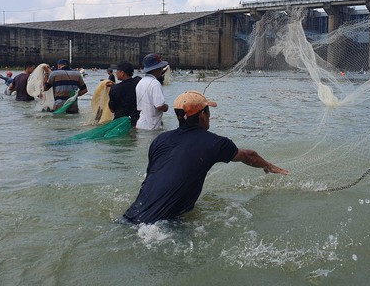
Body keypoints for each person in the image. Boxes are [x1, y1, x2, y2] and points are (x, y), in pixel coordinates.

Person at [123, 90, 289, 224]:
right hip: (163, 224)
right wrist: (268, 165)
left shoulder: (160, 140)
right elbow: (248, 155)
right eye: (208, 111)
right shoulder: (214, 143)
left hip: (129, 217)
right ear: (202, 115)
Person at [135, 53, 169, 130]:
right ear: (156, 69)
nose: (161, 69)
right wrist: (166, 107)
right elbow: (160, 106)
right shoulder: (155, 83)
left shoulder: (141, 82)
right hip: (152, 126)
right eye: (160, 67)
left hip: (140, 124)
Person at [108, 61, 142, 127]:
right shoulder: (138, 81)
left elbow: (112, 109)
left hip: (119, 123)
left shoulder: (114, 89)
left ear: (122, 73)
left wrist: (114, 86)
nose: (116, 73)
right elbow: (129, 86)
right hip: (136, 121)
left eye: (117, 71)